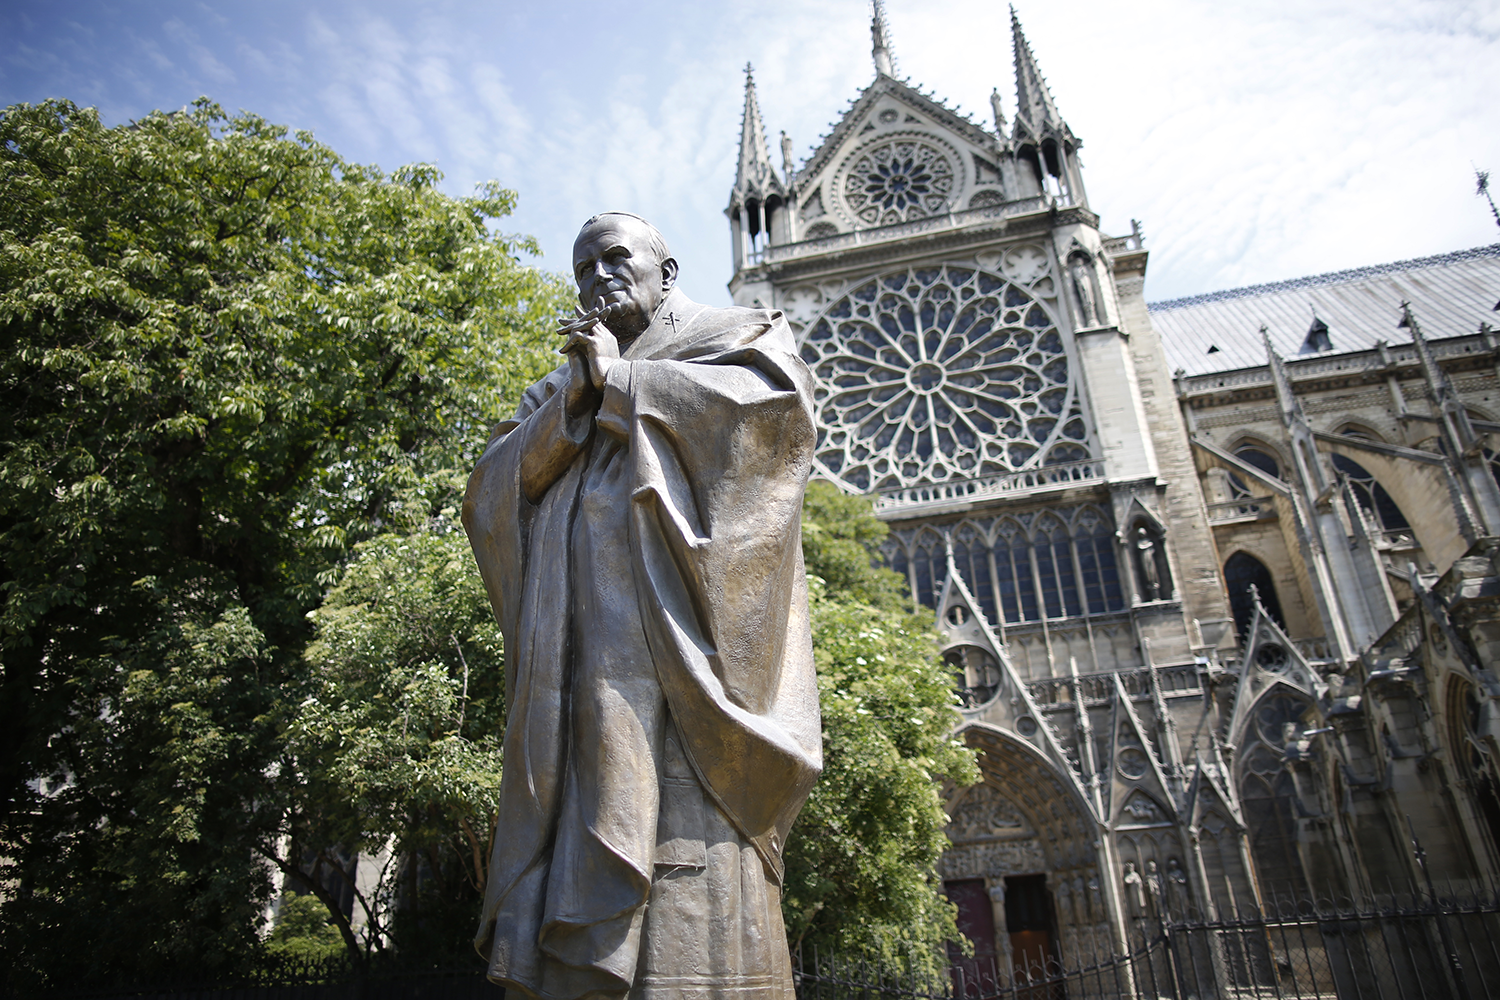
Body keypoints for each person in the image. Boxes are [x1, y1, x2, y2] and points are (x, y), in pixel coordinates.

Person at [463, 212, 822, 1000]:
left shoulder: (736, 333)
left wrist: (626, 382)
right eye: (582, 267)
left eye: (615, 258)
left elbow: (778, 418)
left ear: (668, 270)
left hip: (682, 660)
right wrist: (578, 399)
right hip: (575, 673)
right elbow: (489, 491)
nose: (597, 276)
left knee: (688, 878)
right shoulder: (560, 384)